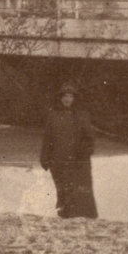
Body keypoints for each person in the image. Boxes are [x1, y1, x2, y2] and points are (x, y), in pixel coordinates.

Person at [39, 82, 98, 218]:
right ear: (60, 98)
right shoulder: (53, 115)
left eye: (70, 96)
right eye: (65, 96)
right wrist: (44, 156)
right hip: (58, 158)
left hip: (77, 159)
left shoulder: (82, 115)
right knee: (61, 186)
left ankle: (83, 214)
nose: (67, 99)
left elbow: (90, 137)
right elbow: (48, 138)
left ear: (75, 99)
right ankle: (64, 212)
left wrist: (85, 150)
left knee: (79, 187)